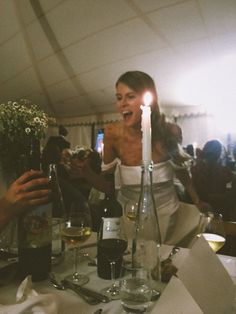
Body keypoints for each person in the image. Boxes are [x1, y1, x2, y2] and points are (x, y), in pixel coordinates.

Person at [70, 71, 210, 246]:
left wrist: (196, 200)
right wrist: (87, 173)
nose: (122, 104)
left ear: (147, 100)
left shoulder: (171, 131)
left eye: (130, 97)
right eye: (119, 97)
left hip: (169, 215)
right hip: (130, 216)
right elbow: (108, 187)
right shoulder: (112, 134)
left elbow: (181, 170)